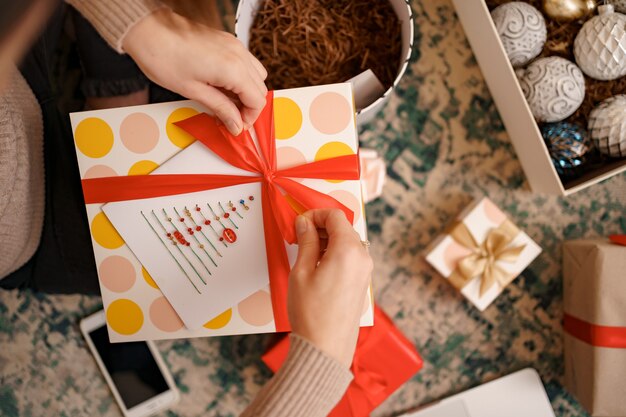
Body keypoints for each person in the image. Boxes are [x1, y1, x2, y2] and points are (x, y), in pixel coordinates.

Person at [0, 1, 374, 416]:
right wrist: (320, 362)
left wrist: (144, 28)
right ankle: (119, 98)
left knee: (189, 89)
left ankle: (118, 95)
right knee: (150, 277)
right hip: (31, 230)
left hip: (19, 76)